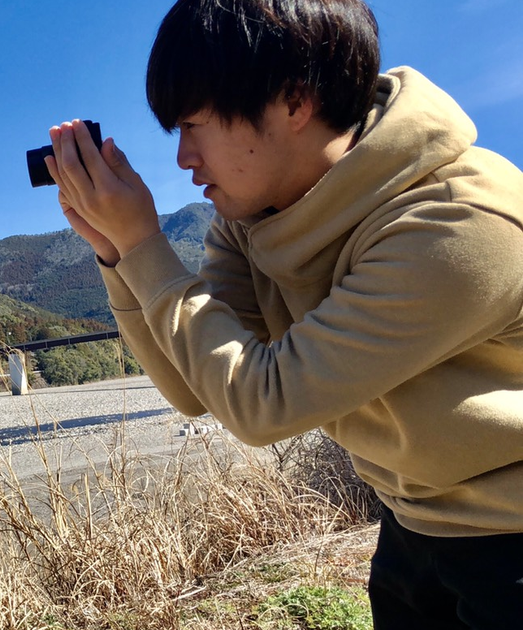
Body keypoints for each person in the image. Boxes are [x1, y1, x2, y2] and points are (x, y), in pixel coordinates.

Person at [43, 0, 523, 627]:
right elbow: (194, 389)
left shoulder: (456, 221)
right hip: (412, 524)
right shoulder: (251, 219)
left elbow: (264, 404)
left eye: (194, 125)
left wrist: (144, 245)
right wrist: (117, 253)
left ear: (294, 101)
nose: (184, 158)